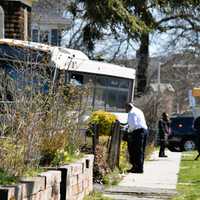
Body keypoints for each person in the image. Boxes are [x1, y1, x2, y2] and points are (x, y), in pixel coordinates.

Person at [125, 102, 148, 173]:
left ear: (128, 107)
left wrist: (128, 132)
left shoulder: (131, 113)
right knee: (141, 150)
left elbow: (133, 125)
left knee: (135, 150)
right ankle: (139, 167)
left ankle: (137, 168)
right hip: (144, 130)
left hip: (138, 132)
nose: (125, 110)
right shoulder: (139, 110)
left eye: (126, 108)